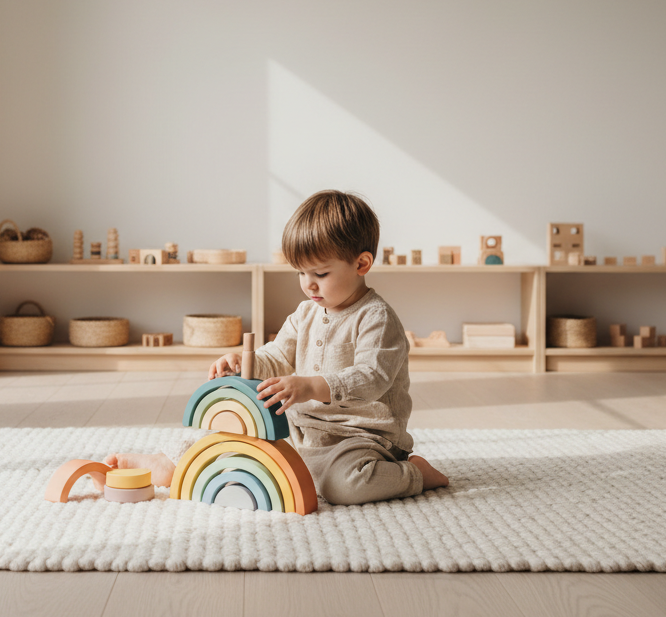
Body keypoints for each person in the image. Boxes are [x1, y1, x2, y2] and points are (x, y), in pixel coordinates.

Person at [98, 190, 450, 505]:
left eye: (320, 274)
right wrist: (243, 361)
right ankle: (170, 462)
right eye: (300, 273)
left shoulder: (377, 317)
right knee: (234, 435)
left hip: (361, 437)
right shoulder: (305, 313)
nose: (308, 284)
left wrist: (311, 386)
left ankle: (414, 474)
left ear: (361, 264)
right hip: (303, 428)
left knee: (343, 487)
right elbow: (279, 355)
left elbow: (372, 377)